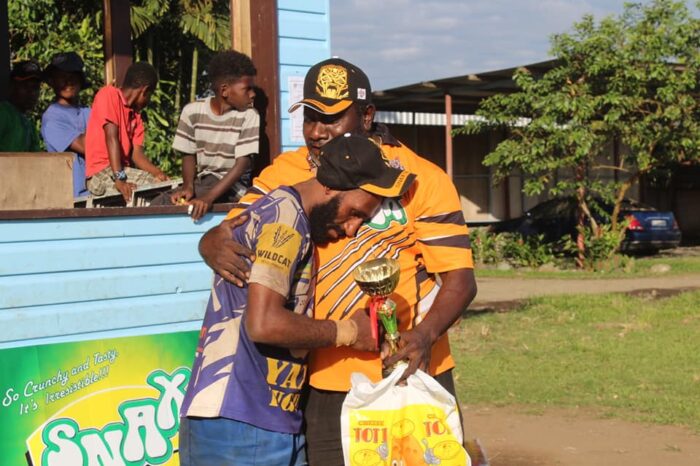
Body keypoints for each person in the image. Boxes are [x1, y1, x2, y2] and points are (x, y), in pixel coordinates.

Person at [198, 58, 479, 466]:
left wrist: (423, 336)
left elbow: (460, 280)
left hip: (411, 371)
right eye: (311, 116)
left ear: (366, 115)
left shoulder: (421, 178)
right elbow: (230, 233)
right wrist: (210, 241)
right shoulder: (287, 172)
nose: (316, 131)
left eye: (331, 118)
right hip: (324, 378)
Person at [179, 133, 416, 466]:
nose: (351, 229)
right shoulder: (285, 220)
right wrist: (349, 332)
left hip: (267, 423)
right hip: (240, 424)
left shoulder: (285, 212)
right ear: (331, 186)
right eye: (355, 213)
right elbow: (263, 324)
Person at [151, 50, 259, 220]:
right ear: (225, 90)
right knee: (160, 202)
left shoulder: (249, 116)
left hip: (232, 187)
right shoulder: (192, 112)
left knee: (166, 202)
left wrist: (208, 198)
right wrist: (188, 187)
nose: (253, 94)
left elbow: (242, 164)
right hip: (202, 182)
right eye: (247, 89)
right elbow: (188, 153)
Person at [84, 61, 168, 202]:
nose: (148, 100)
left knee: (162, 186)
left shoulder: (136, 117)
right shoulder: (109, 94)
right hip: (101, 172)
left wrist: (158, 173)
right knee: (152, 188)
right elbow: (111, 138)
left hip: (122, 171)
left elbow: (137, 155)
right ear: (144, 91)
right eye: (150, 95)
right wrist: (120, 179)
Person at [41, 52, 91, 198]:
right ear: (52, 81)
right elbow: (87, 146)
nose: (68, 81)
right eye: (62, 76)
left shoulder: (88, 111)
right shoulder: (52, 118)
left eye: (73, 76)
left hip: (99, 194)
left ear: (81, 80)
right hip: (73, 199)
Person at [0, 60, 42, 152]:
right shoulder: (3, 113)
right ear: (12, 86)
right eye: (25, 86)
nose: (31, 93)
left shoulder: (29, 123)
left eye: (35, 88)